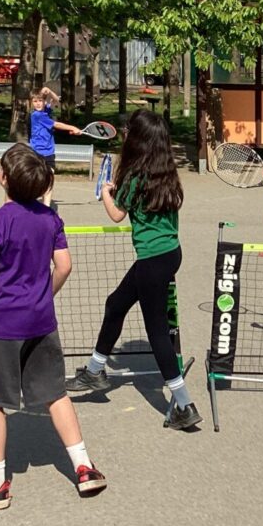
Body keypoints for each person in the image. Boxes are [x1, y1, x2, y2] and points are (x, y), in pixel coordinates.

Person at [0, 143, 106, 510]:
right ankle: (84, 467)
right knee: (55, 393)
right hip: (42, 321)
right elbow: (64, 266)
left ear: (3, 178)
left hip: (2, 324)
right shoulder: (50, 219)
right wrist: (43, 296)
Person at [66, 109, 201, 430]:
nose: (124, 134)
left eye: (128, 130)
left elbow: (116, 214)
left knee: (157, 333)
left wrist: (105, 193)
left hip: (152, 261)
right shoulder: (165, 171)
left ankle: (184, 405)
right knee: (116, 304)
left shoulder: (134, 176)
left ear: (136, 139)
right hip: (170, 254)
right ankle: (95, 371)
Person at [28, 87, 81, 176]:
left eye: (40, 101)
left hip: (49, 151)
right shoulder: (37, 115)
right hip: (37, 152)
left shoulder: (45, 111)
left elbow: (56, 100)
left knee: (49, 176)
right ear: (31, 103)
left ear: (44, 102)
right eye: (35, 101)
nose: (38, 104)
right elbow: (56, 124)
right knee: (39, 178)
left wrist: (49, 91)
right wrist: (73, 128)